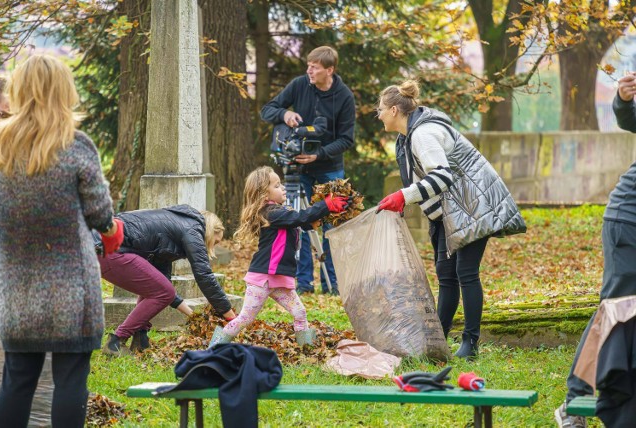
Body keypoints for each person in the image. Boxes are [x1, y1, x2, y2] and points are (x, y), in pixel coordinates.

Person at [0, 54, 124, 427]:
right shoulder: (75, 144)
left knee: (17, 381)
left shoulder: (0, 146)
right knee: (71, 382)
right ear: (64, 91)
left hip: (17, 289)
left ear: (18, 91)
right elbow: (102, 216)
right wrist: (112, 234)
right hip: (73, 291)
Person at [375, 80, 526, 359]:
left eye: (381, 109)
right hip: (451, 211)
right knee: (446, 276)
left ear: (395, 110)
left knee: (465, 273)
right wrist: (406, 202)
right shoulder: (407, 137)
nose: (379, 115)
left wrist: (403, 196)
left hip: (472, 206)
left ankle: (470, 344)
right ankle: (438, 340)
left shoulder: (423, 135)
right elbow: (423, 180)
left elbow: (441, 177)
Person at [554, 72, 636, 428]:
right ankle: (575, 401)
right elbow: (630, 117)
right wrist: (623, 97)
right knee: (617, 309)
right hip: (629, 221)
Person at [209, 166, 349, 347]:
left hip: (279, 278)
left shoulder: (280, 213)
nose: (282, 188)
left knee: (300, 312)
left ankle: (307, 348)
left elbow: (299, 223)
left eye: (280, 184)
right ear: (263, 195)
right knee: (245, 318)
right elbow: (299, 217)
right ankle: (214, 347)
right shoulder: (271, 213)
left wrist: (320, 217)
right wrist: (325, 205)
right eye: (276, 186)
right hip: (263, 278)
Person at [260, 46, 356, 295]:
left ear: (329, 70)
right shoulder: (299, 84)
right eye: (308, 66)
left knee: (332, 226)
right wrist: (285, 113)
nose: (309, 71)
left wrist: (318, 154)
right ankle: (304, 283)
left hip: (329, 169)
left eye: (314, 67)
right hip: (297, 171)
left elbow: (346, 139)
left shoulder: (344, 96)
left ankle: (332, 284)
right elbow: (267, 110)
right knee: (298, 221)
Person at [93, 205, 237, 356]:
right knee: (163, 291)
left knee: (157, 288)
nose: (214, 246)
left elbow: (162, 285)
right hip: (108, 248)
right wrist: (229, 315)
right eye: (216, 241)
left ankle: (140, 338)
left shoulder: (175, 229)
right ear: (210, 232)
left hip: (104, 249)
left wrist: (193, 316)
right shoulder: (193, 229)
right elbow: (204, 275)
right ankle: (116, 341)